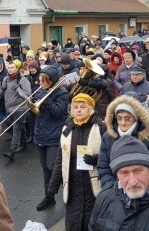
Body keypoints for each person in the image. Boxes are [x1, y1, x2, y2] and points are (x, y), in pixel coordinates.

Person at [42, 94, 106, 229]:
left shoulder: (100, 128)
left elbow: (110, 155)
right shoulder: (67, 130)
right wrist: (52, 187)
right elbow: (60, 159)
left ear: (90, 109)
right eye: (75, 107)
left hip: (93, 187)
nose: (78, 110)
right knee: (73, 224)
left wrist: (97, 159)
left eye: (83, 107)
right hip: (73, 187)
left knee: (92, 224)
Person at [97, 95, 149, 189]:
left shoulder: (148, 138)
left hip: (141, 189)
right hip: (114, 190)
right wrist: (111, 188)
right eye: (119, 118)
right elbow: (103, 167)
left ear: (135, 118)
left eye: (127, 118)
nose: (123, 122)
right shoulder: (108, 137)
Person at [34, 66, 70, 210]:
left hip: (54, 135)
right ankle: (49, 197)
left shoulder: (62, 93)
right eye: (40, 79)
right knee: (45, 168)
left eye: (44, 80)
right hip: (40, 134)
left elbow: (59, 112)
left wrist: (46, 99)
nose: (40, 83)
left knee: (53, 166)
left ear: (52, 81)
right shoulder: (41, 91)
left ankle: (70, 190)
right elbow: (36, 113)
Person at [1, 60, 31, 161]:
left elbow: (28, 95)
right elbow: (2, 92)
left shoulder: (22, 80)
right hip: (9, 108)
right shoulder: (6, 79)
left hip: (20, 108)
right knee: (20, 126)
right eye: (8, 68)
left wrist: (18, 89)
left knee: (16, 128)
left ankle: (12, 151)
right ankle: (24, 144)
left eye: (12, 68)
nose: (10, 69)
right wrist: (2, 87)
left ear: (17, 68)